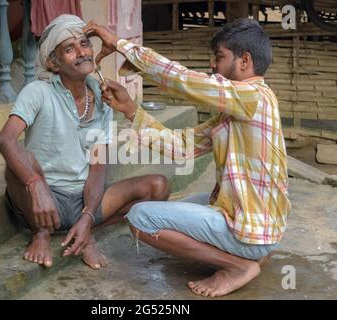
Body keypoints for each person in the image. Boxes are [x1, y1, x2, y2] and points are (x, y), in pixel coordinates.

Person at [84, 18, 291, 297]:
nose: (214, 67)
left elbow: (182, 80)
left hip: (254, 231)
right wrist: (131, 110)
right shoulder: (236, 109)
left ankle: (238, 264)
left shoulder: (254, 97)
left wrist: (122, 45)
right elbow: (181, 147)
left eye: (219, 58)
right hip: (259, 224)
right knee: (179, 206)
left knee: (140, 218)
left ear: (244, 61)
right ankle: (252, 252)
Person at [0, 14, 170, 270]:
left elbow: (98, 166)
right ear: (54, 64)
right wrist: (35, 185)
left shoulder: (102, 96)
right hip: (44, 201)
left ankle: (84, 230)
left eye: (85, 44)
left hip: (82, 200)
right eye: (69, 48)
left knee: (158, 186)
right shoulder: (38, 92)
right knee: (18, 163)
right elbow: (5, 139)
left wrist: (88, 214)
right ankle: (41, 233)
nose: (82, 52)